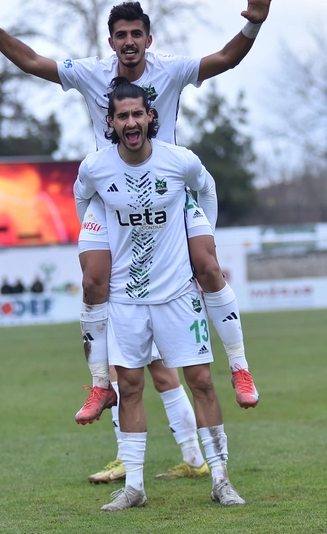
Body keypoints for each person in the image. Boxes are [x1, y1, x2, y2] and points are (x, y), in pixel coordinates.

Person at [0, 0, 274, 479]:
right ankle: (101, 385)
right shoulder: (91, 74)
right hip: (115, 198)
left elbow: (224, 59)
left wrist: (253, 22)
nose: (128, 41)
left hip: (167, 195)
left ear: (148, 38)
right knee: (95, 286)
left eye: (136, 34)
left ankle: (238, 367)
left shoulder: (170, 72)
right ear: (111, 42)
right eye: (120, 34)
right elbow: (34, 63)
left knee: (208, 267)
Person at [74, 79, 244, 510]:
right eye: (122, 116)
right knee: (129, 389)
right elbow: (83, 200)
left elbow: (205, 189)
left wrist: (205, 230)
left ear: (151, 117)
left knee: (201, 381)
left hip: (176, 294)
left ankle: (221, 479)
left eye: (137, 114)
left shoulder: (179, 161)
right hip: (126, 299)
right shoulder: (96, 167)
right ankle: (134, 487)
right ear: (110, 123)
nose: (131, 122)